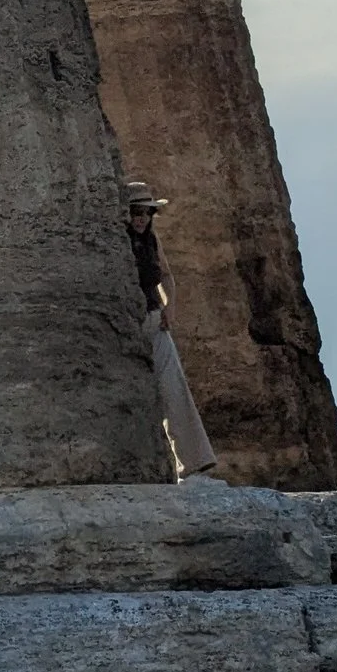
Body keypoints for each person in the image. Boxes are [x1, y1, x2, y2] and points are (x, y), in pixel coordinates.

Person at [127, 180, 217, 481]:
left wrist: (170, 308)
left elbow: (166, 275)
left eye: (147, 212)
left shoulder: (152, 241)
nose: (142, 218)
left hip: (153, 321)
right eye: (136, 212)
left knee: (174, 388)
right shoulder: (116, 240)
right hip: (125, 326)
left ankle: (195, 461)